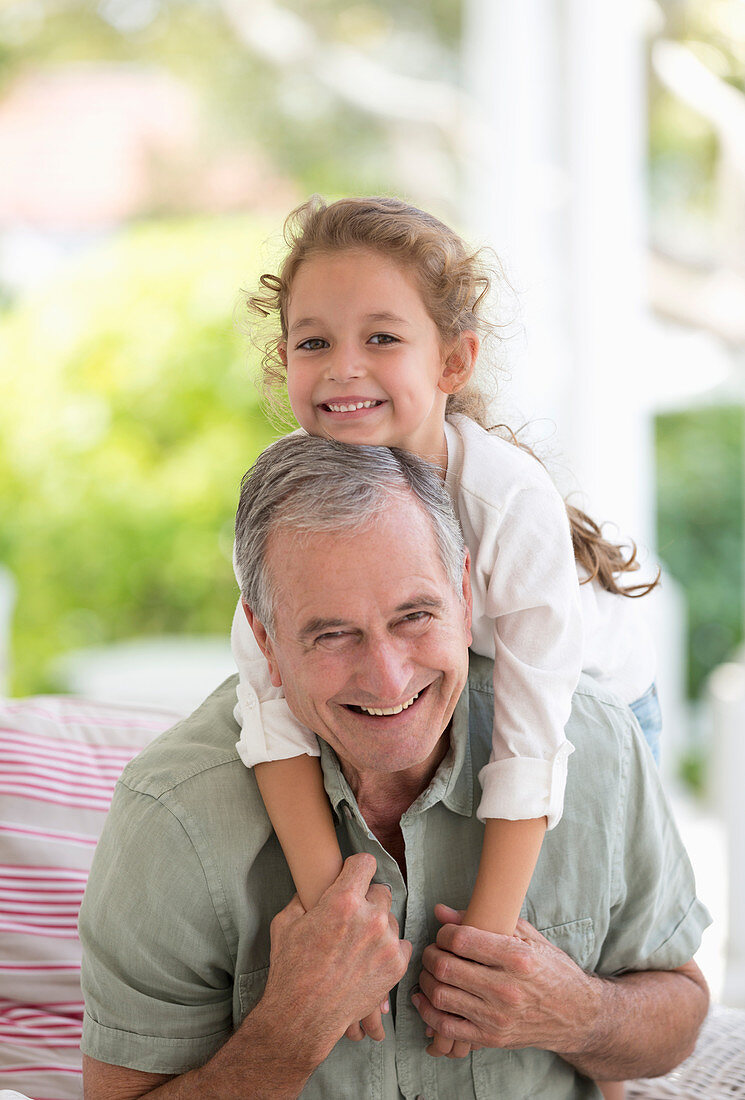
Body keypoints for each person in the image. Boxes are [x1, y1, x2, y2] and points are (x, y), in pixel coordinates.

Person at [79, 435, 710, 1099]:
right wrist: (289, 1029)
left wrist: (578, 1012)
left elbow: (679, 1013)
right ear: (263, 637)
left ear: (464, 594)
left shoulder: (597, 745)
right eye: (332, 634)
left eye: (414, 617)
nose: (386, 679)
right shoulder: (172, 816)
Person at [230, 195, 659, 1085]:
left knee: (574, 944)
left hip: (590, 710)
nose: (344, 367)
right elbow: (269, 716)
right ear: (284, 362)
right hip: (456, 694)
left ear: (454, 359)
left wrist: (484, 954)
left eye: (382, 338)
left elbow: (534, 749)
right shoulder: (291, 510)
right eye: (314, 342)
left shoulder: (506, 507)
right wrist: (331, 916)